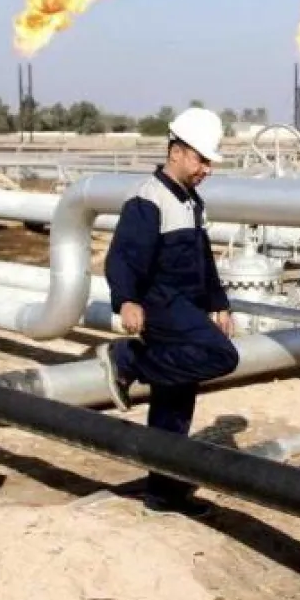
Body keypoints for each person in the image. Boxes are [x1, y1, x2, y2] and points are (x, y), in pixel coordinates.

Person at [98, 106, 239, 517]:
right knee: (221, 355)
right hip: (160, 304)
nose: (206, 169)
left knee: (174, 405)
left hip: (189, 305)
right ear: (176, 151)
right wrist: (126, 299)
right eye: (201, 159)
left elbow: (204, 260)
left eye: (210, 161)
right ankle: (128, 358)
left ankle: (163, 493)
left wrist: (218, 303)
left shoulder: (192, 202)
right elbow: (122, 257)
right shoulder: (148, 200)